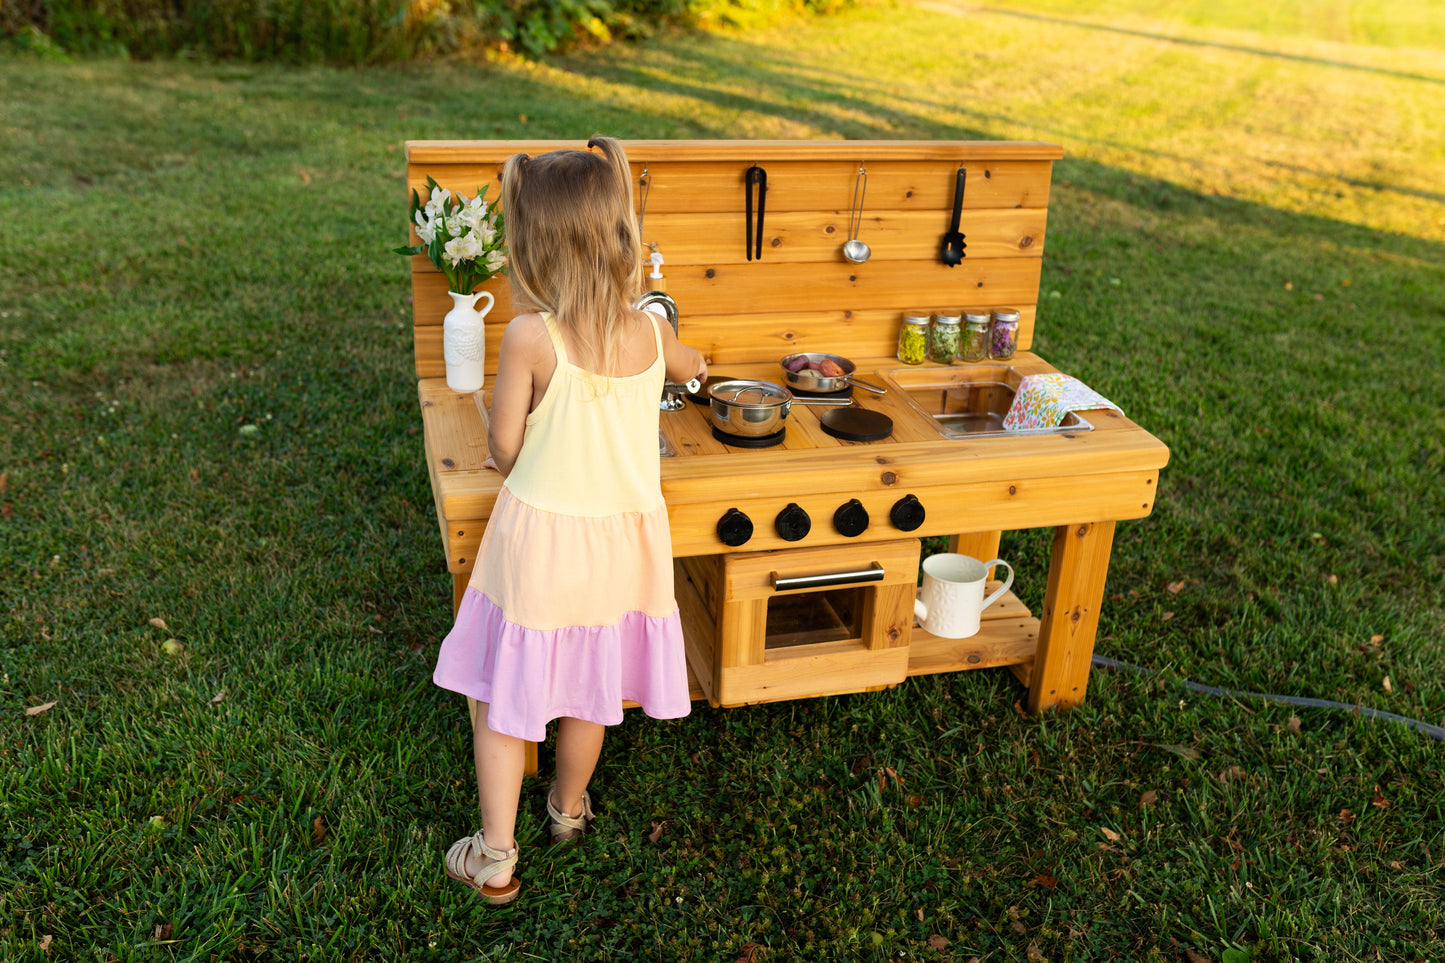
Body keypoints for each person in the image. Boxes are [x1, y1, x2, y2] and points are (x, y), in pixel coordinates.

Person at [432, 135, 707, 904]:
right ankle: (567, 809)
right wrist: (694, 365)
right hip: (622, 548)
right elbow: (691, 364)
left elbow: (507, 448)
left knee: (500, 690)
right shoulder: (651, 330)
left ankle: (494, 853)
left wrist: (505, 439)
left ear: (530, 248)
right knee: (592, 687)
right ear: (619, 232)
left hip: (541, 544)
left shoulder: (529, 336)